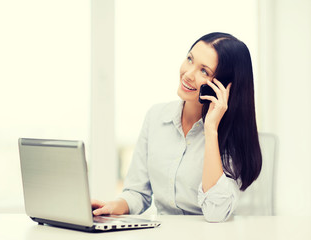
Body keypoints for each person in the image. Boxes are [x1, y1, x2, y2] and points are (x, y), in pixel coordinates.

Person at [91, 32, 262, 222]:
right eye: (190, 59)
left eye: (204, 71)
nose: (188, 74)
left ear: (222, 86)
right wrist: (112, 207)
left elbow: (216, 213)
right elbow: (138, 192)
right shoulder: (156, 117)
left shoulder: (230, 136)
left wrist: (211, 129)